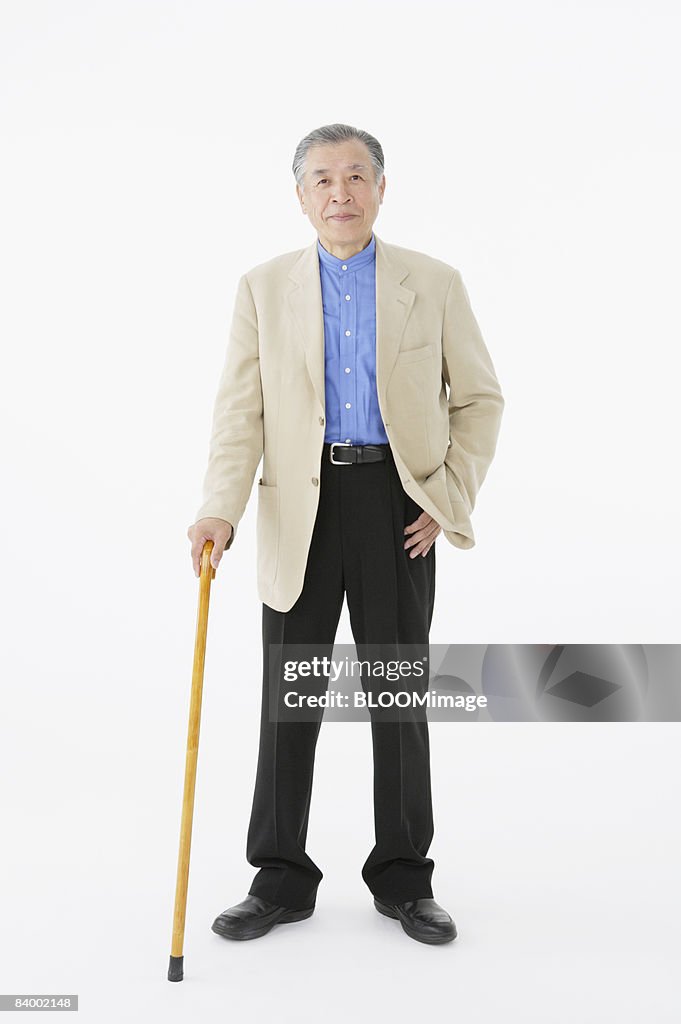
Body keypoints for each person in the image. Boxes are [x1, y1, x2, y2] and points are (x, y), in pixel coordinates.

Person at [187, 123, 504, 945]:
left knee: (396, 694)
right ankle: (281, 878)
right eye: (322, 179)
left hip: (396, 508)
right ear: (300, 196)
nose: (340, 193)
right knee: (290, 696)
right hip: (300, 505)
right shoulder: (262, 287)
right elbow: (239, 411)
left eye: (356, 176)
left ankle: (403, 876)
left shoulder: (432, 283)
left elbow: (477, 400)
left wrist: (447, 494)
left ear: (381, 188)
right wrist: (219, 506)